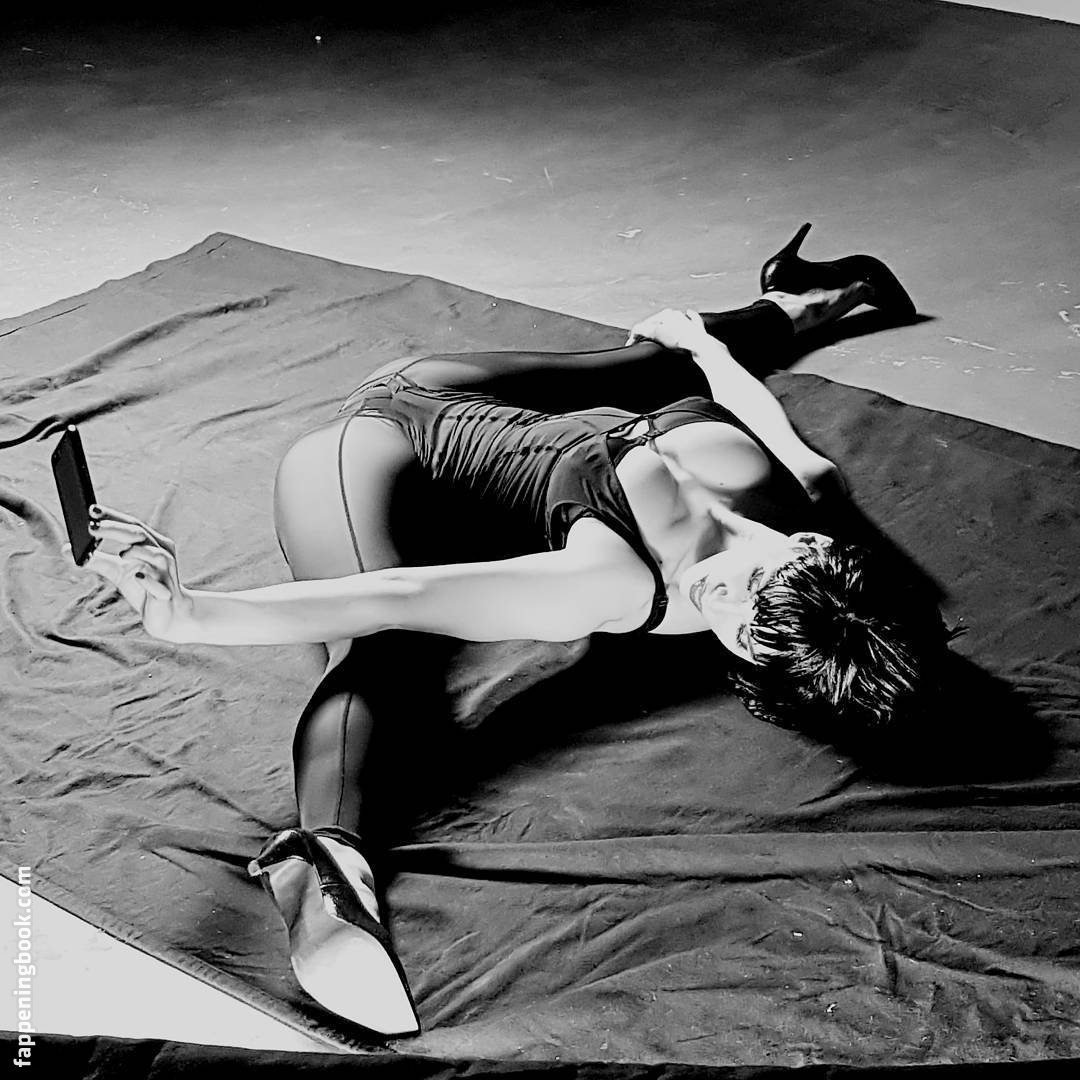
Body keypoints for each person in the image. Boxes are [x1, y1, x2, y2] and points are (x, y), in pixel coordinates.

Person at [71, 224, 951, 1037]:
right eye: (751, 579)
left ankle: (325, 857)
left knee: (383, 658)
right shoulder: (811, 511)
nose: (714, 590)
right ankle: (800, 299)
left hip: (402, 460)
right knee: (662, 355)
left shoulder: (612, 587)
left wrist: (193, 613)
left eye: (734, 624)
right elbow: (787, 444)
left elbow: (399, 596)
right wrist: (711, 352)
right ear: (809, 547)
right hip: (404, 415)